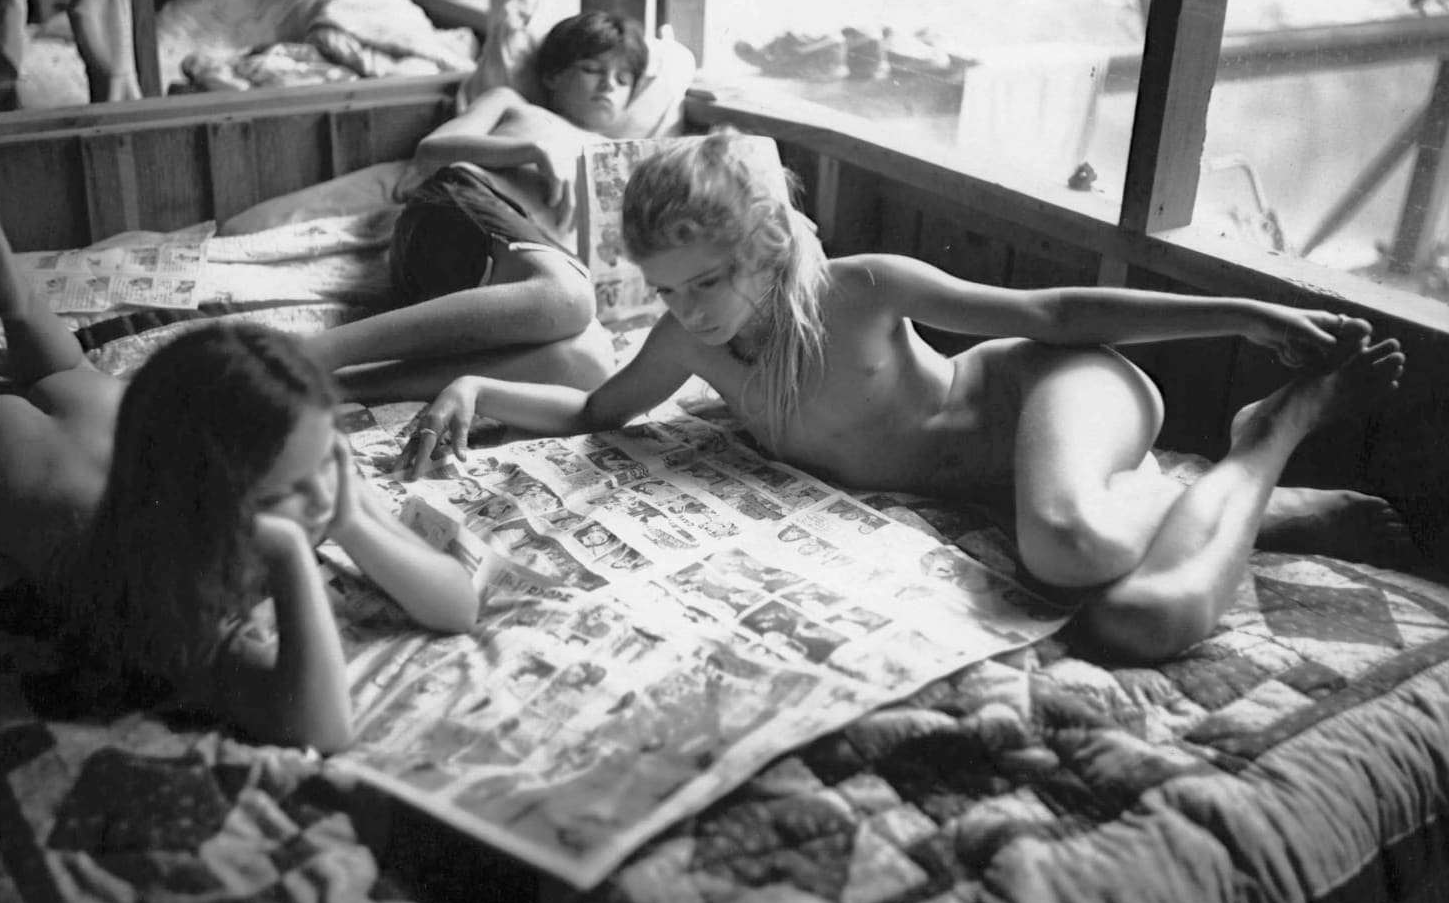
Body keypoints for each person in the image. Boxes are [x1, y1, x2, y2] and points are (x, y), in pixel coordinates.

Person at [396, 129, 1414, 664]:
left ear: (764, 247)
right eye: (665, 288)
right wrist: (476, 386)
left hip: (1047, 390)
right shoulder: (684, 345)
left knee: (1066, 545)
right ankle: (1248, 497)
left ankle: (1255, 441)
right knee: (1105, 584)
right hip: (997, 484)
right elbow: (595, 413)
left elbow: (1051, 310)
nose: (688, 309)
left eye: (707, 281)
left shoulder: (859, 291)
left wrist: (1236, 314)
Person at [0, 181, 482, 754]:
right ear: (210, 505)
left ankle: (13, 294)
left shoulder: (309, 467)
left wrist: (357, 524)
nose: (324, 493)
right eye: (293, 490)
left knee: (71, 374)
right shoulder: (159, 598)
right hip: (18, 460)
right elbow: (321, 728)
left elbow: (458, 605)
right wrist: (290, 554)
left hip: (108, 412)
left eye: (326, 459)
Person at [303, 11, 651, 402]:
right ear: (552, 74)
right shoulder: (515, 106)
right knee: (570, 295)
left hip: (527, 293)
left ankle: (344, 388)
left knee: (591, 362)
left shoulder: (622, 160)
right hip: (463, 208)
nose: (609, 84)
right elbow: (431, 152)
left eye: (623, 80)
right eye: (592, 69)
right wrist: (529, 150)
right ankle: (312, 353)